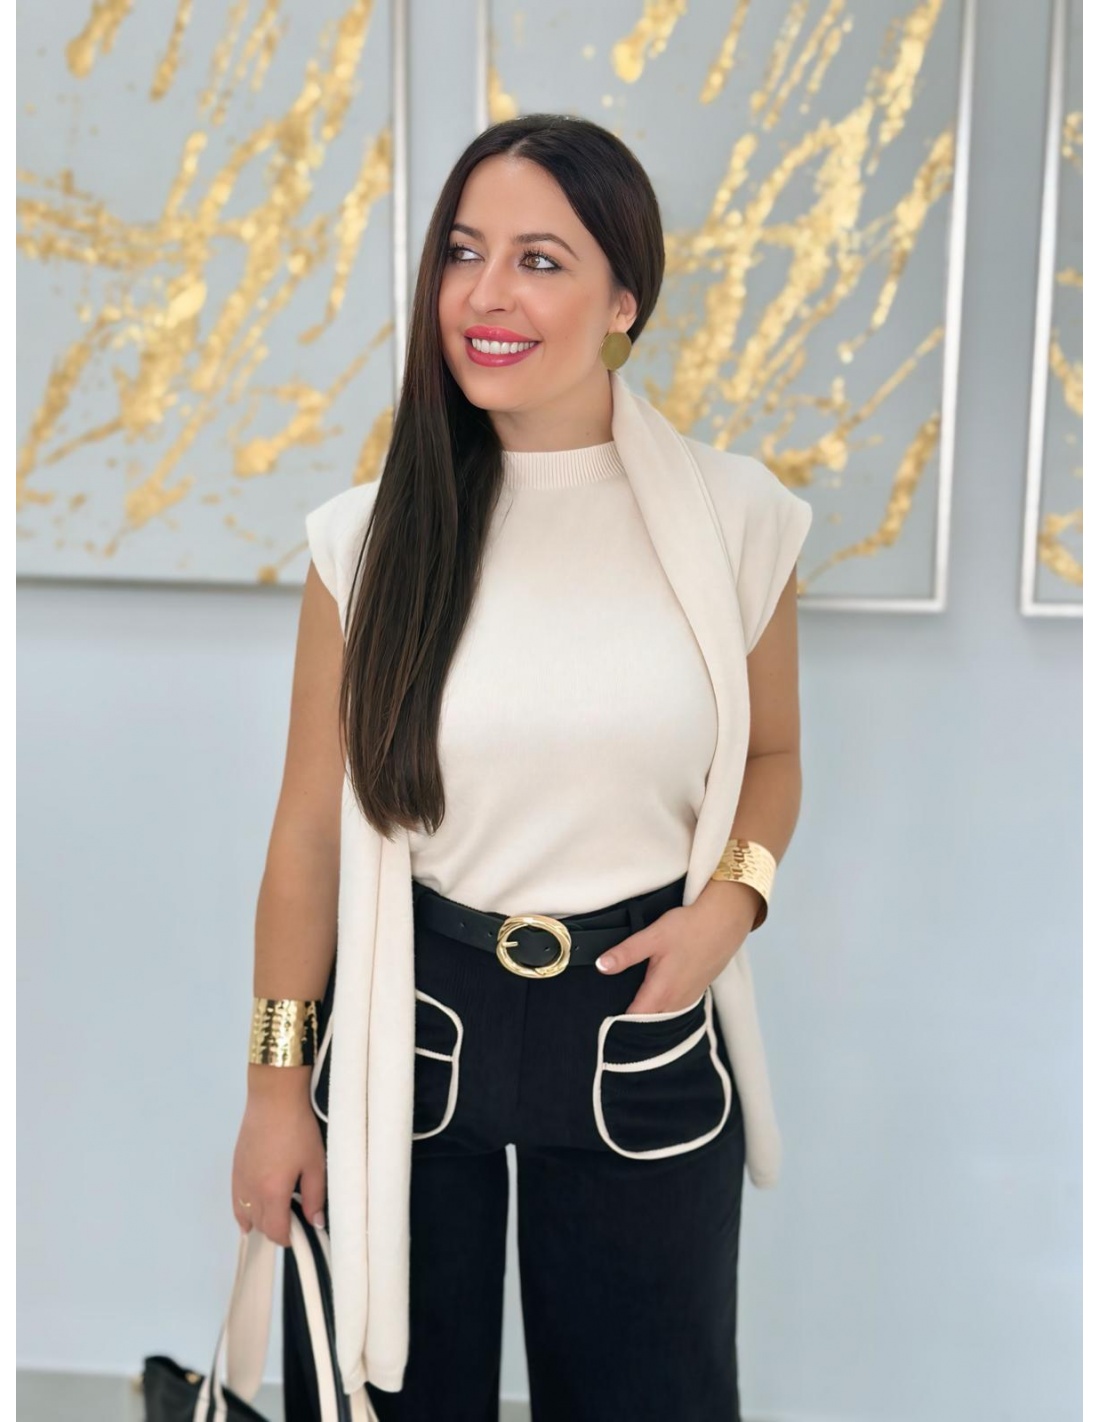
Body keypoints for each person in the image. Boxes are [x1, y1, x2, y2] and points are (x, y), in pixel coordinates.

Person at [231, 113, 812, 1422]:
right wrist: (274, 1088)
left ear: (625, 299)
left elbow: (773, 756)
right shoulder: (365, 540)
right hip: (412, 1019)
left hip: (640, 1015)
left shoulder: (739, 520)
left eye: (539, 260)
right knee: (379, 1396)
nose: (485, 295)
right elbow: (309, 835)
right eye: (463, 252)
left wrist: (729, 907)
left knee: (651, 1395)